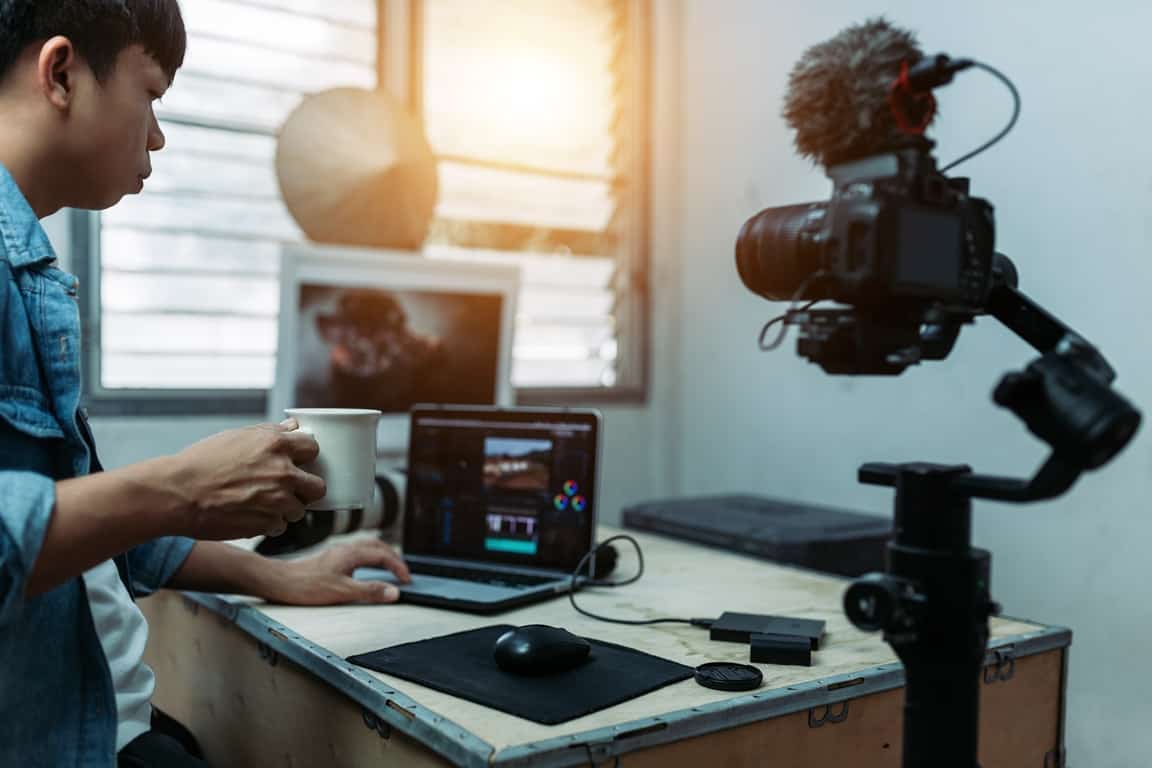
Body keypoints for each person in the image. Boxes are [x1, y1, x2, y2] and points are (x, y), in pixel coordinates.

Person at [0, 3, 411, 766]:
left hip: (118, 720)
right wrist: (181, 487)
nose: (156, 134)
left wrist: (275, 574)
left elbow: (91, 534)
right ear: (61, 73)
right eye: (151, 95)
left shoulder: (31, 274)